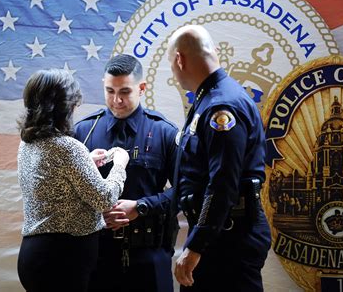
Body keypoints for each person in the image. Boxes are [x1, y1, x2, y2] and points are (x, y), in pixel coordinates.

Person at [167, 25, 271, 291]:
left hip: (228, 240)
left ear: (179, 59)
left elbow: (223, 182)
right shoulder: (210, 99)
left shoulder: (219, 107)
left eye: (171, 63)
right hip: (220, 234)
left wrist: (196, 245)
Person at [16, 69, 129, 292]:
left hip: (35, 256)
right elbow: (105, 198)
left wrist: (85, 160)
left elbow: (50, 177)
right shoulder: (67, 147)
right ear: (63, 106)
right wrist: (120, 165)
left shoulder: (28, 143)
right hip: (61, 260)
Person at [74, 54, 179, 292]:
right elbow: (67, 196)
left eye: (125, 92)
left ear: (141, 88)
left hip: (149, 257)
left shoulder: (165, 132)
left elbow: (185, 192)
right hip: (96, 256)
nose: (116, 100)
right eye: (110, 91)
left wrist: (141, 207)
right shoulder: (84, 132)